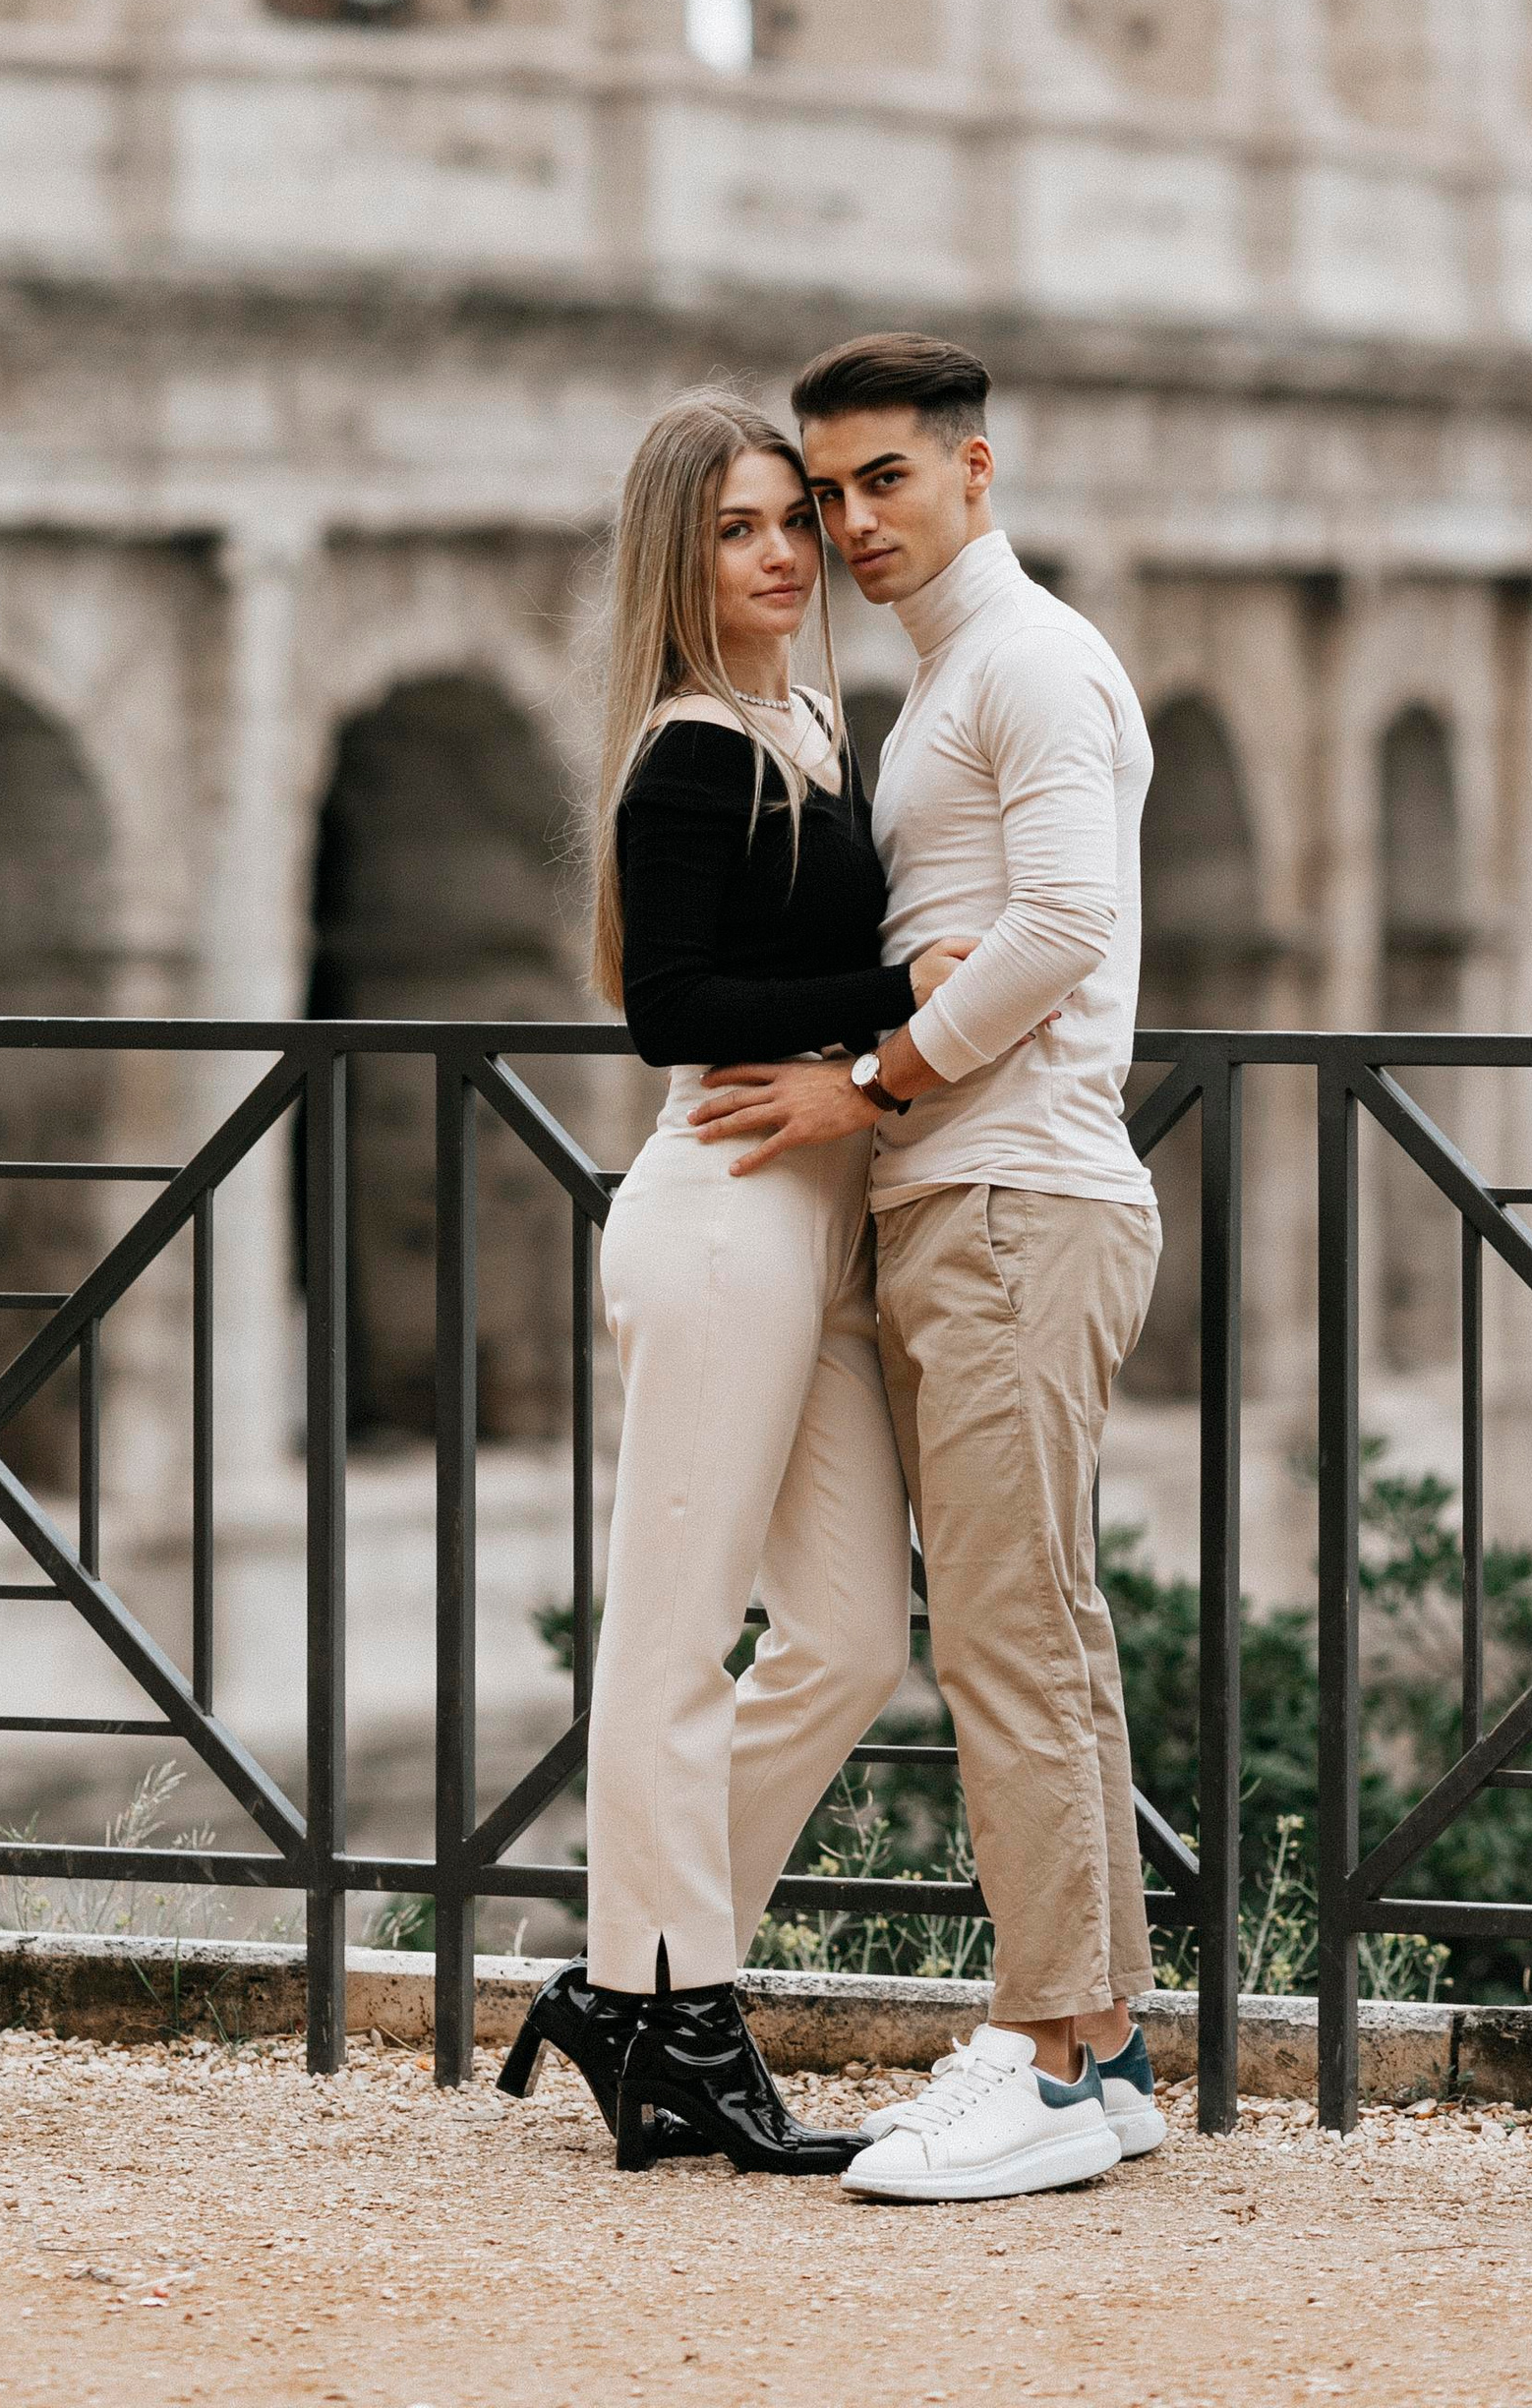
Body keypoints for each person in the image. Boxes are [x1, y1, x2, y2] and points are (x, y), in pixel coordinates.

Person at [686, 332, 1166, 2204]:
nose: (851, 523)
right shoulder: (966, 675)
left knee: (1007, 1636)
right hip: (981, 1198)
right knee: (1036, 1621)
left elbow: (1062, 925)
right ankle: (1103, 2052)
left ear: (978, 467)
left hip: (1010, 1197)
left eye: (887, 479)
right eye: (825, 494)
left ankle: (1039, 2066)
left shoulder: (1031, 661)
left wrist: (862, 1083)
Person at [498, 391, 971, 2175]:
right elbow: (668, 1012)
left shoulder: (811, 720)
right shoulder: (695, 747)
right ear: (675, 559)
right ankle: (673, 2003)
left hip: (822, 1221)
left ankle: (637, 1977)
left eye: (794, 521)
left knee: (847, 1640)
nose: (785, 554)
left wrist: (881, 1024)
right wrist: (891, 1013)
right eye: (738, 531)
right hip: (723, 1217)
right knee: (676, 1625)